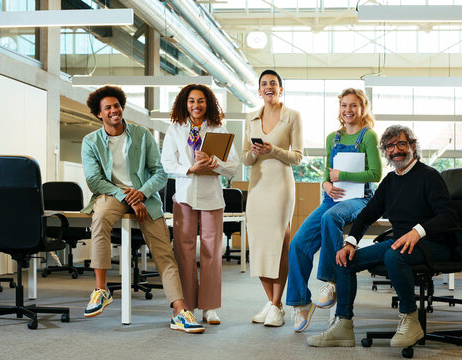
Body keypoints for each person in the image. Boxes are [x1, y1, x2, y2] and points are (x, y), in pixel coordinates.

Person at [307, 124, 458, 348]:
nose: (395, 150)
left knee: (393, 255)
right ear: (385, 152)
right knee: (344, 259)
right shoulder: (390, 181)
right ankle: (343, 326)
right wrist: (350, 242)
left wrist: (417, 231)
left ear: (413, 146)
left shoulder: (429, 176)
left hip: (433, 244)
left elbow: (449, 217)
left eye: (401, 144)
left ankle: (410, 319)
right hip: (399, 244)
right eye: (389, 146)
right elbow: (367, 215)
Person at [81, 85, 204, 333]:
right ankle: (101, 289)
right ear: (99, 114)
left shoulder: (141, 134)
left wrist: (143, 194)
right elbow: (94, 180)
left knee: (164, 253)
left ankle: (180, 311)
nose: (114, 110)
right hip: (112, 193)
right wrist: (127, 196)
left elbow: (159, 173)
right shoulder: (90, 141)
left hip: (144, 195)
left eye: (117, 105)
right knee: (100, 218)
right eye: (108, 108)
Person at [286, 88, 382, 332]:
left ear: (363, 109)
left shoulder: (368, 136)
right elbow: (326, 172)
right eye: (344, 105)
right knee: (298, 243)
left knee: (332, 218)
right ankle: (301, 302)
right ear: (339, 108)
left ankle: (330, 281)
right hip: (332, 198)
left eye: (353, 106)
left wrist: (344, 175)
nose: (348, 110)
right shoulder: (333, 138)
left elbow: (376, 174)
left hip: (360, 198)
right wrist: (326, 183)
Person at [161, 84, 239, 325]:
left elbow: (233, 166)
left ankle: (210, 306)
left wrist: (214, 163)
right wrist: (189, 169)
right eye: (192, 101)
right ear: (185, 103)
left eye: (201, 101)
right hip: (184, 196)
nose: (196, 105)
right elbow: (166, 163)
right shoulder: (175, 129)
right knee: (183, 251)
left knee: (211, 252)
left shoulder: (219, 129)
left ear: (209, 104)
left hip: (211, 198)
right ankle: (187, 306)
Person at [241, 69, 303, 327]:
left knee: (279, 244)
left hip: (280, 186)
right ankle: (271, 302)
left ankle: (277, 305)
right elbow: (244, 158)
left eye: (273, 83)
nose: (269, 87)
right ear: (259, 90)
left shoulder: (293, 116)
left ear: (281, 89)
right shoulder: (250, 117)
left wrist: (273, 149)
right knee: (258, 244)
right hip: (257, 186)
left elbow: (298, 157)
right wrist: (255, 152)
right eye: (264, 83)